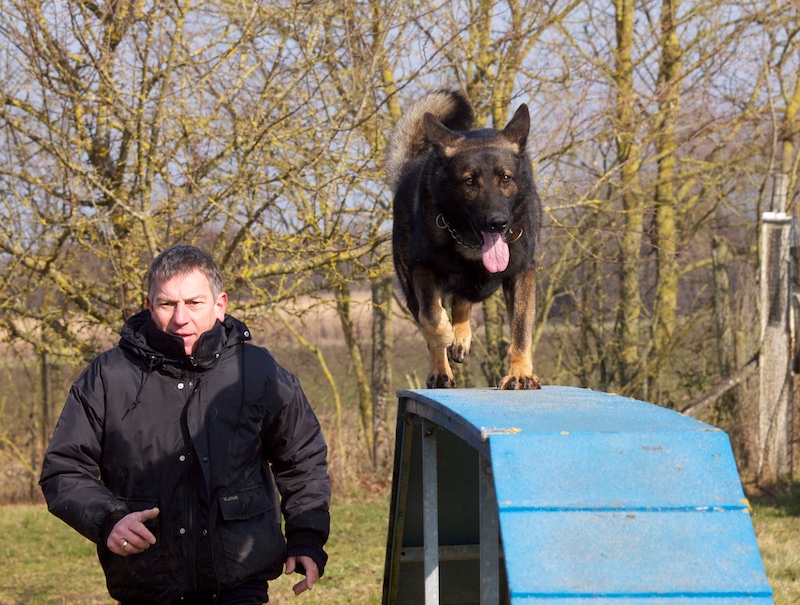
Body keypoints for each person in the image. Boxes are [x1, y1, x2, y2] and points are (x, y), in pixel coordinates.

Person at [40, 244, 330, 605]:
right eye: (167, 304)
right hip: (146, 582)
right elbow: (64, 470)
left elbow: (302, 457)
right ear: (148, 306)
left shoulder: (258, 371)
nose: (180, 318)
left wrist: (307, 535)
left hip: (239, 581)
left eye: (194, 303)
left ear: (220, 305)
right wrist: (108, 520)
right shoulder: (107, 376)